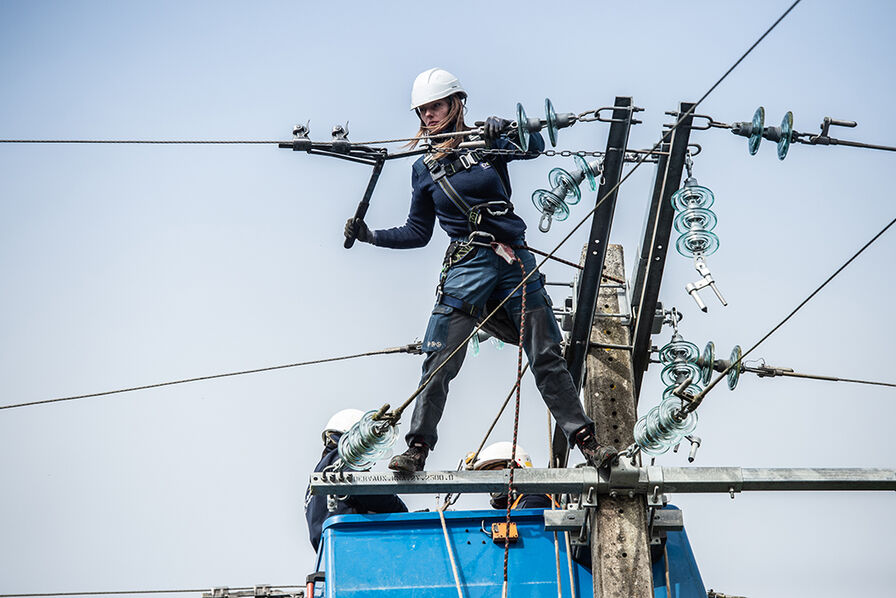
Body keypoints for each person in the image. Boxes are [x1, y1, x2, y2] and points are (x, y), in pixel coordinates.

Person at [344, 67, 617, 473]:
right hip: (466, 266)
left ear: (456, 104)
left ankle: (588, 442)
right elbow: (418, 232)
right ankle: (418, 448)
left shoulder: (486, 143)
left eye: (435, 106)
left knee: (546, 355)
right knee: (439, 358)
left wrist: (507, 131)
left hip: (513, 261)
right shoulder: (423, 169)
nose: (428, 117)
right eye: (422, 111)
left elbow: (535, 146)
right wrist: (370, 235)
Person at [304, 409, 408, 552]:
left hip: (331, 553)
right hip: (351, 543)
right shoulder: (341, 460)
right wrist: (403, 513)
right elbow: (373, 493)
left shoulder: (319, 474)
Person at [468, 441, 556, 510]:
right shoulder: (514, 506)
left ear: (517, 468)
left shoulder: (533, 500)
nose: (494, 481)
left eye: (497, 473)